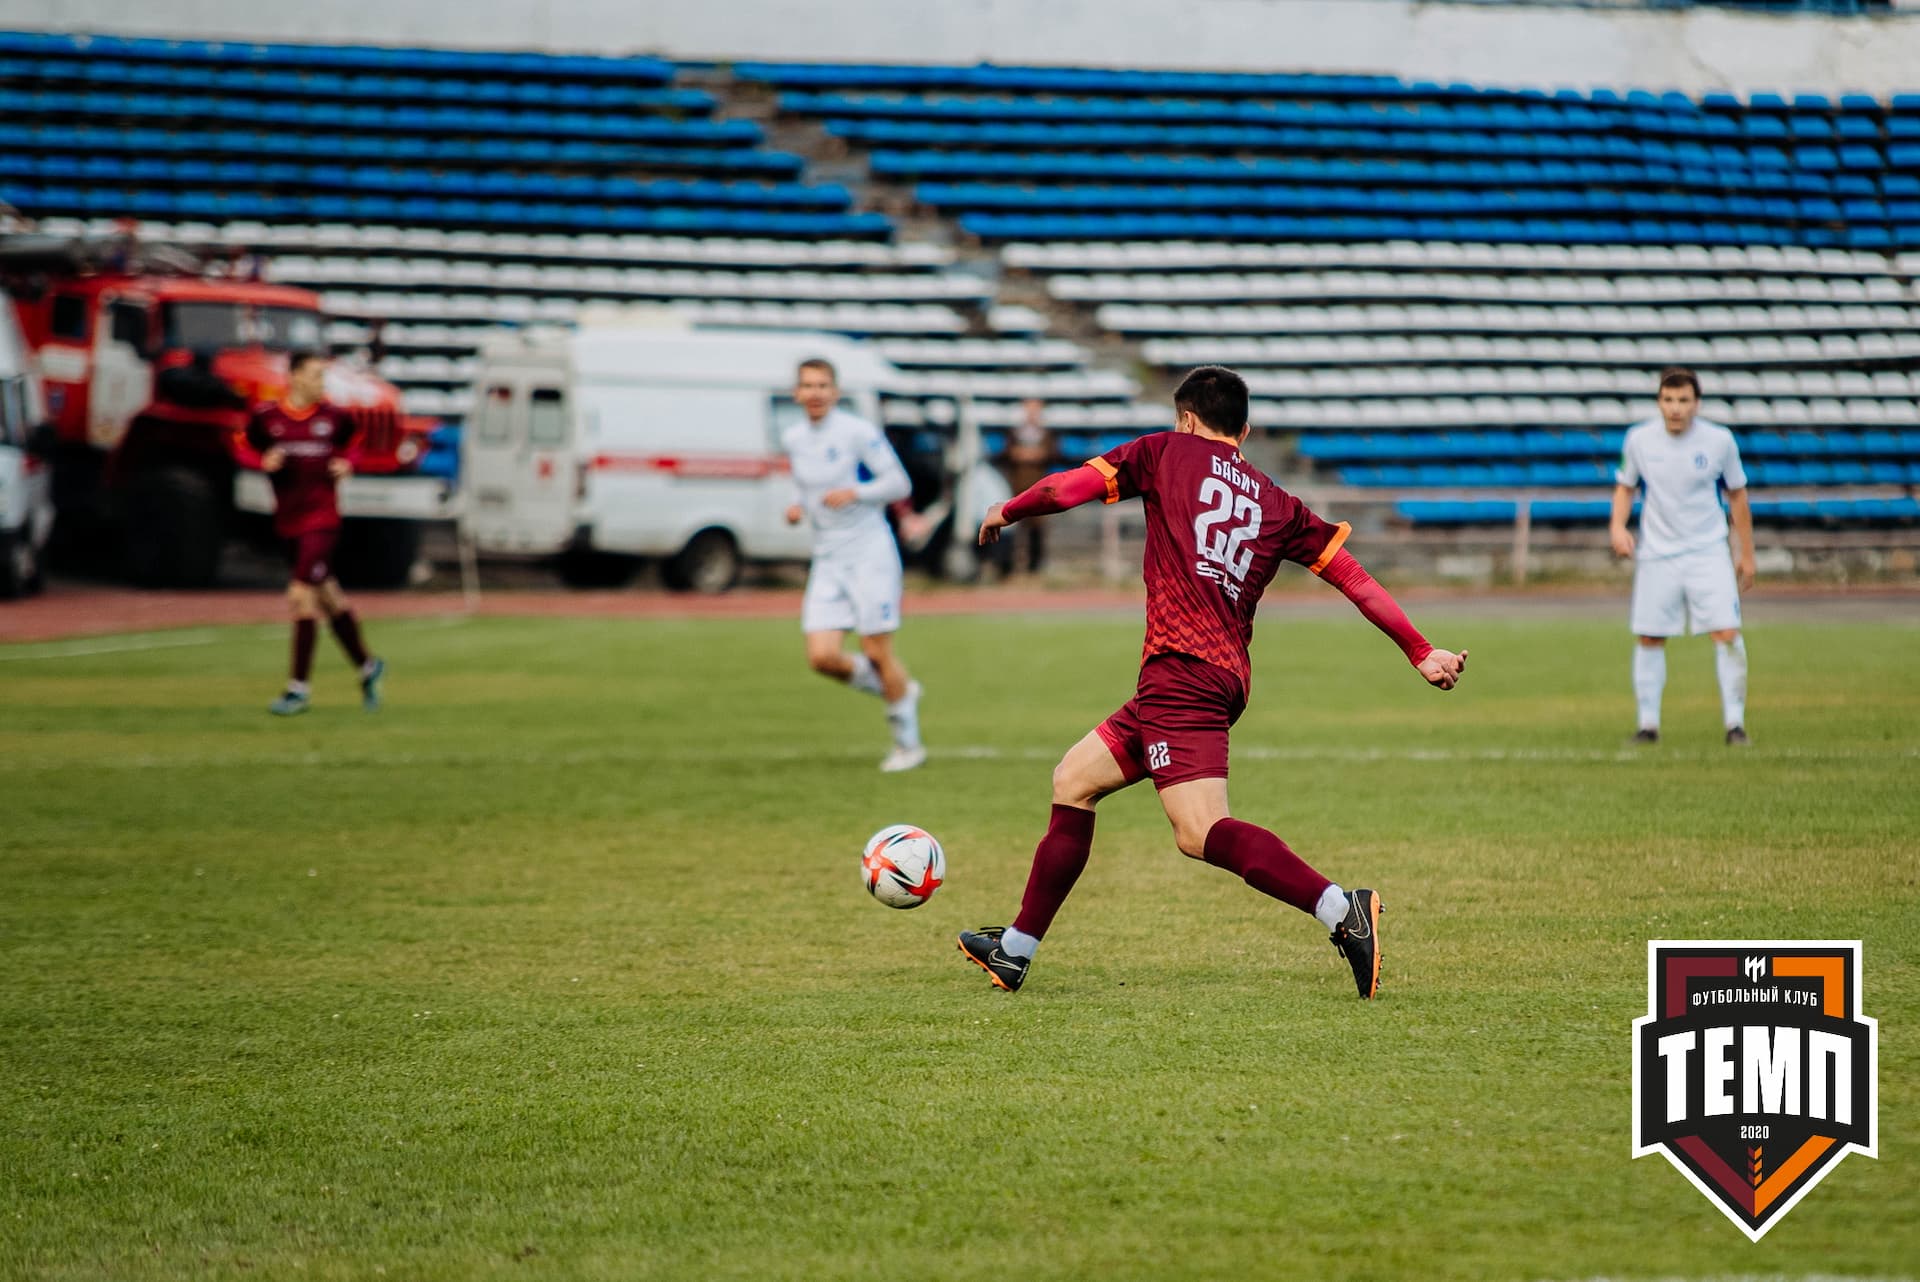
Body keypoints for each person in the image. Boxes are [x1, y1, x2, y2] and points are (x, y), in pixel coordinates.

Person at [959, 366, 1468, 999]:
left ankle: (1343, 909)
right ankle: (1015, 950)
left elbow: (1065, 491)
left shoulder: (1162, 451)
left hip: (1183, 673)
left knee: (1199, 831)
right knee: (1074, 780)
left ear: (1188, 419)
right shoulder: (1276, 501)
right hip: (1208, 675)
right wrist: (1419, 649)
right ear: (1245, 430)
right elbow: (1356, 581)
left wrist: (1005, 509)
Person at [782, 358, 926, 772]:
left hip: (869, 554)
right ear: (797, 393)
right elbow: (802, 484)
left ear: (835, 392)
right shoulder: (794, 437)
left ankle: (908, 745)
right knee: (821, 658)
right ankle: (900, 689)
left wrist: (856, 493)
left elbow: (899, 483)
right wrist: (795, 505)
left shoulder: (857, 432)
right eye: (807, 385)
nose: (815, 393)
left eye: (823, 385)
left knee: (876, 651)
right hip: (828, 557)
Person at [1609, 367, 1755, 746]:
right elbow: (1625, 487)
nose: (1675, 408)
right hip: (1657, 553)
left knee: (1726, 633)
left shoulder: (1719, 441)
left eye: (1683, 400)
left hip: (1708, 551)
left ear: (1696, 403)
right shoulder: (1639, 439)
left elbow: (1737, 496)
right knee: (1650, 636)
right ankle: (1648, 725)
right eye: (1668, 400)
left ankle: (1735, 724)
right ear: (1659, 401)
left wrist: (1747, 554)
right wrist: (1617, 527)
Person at [236, 350, 385, 717]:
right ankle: (367, 666)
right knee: (329, 597)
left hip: (321, 521)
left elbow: (356, 444)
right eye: (317, 376)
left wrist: (346, 464)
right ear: (295, 377)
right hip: (287, 520)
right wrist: (262, 461)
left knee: (301, 595)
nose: (323, 384)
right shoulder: (267, 417)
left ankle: (297, 689)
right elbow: (241, 445)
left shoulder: (334, 417)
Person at [998, 397, 1057, 575]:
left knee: (1036, 528)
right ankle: (1007, 566)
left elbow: (1052, 453)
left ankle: (1034, 566)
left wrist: (1033, 455)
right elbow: (1007, 453)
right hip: (1017, 485)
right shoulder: (1014, 433)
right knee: (1012, 526)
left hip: (1039, 487)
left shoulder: (1047, 433)